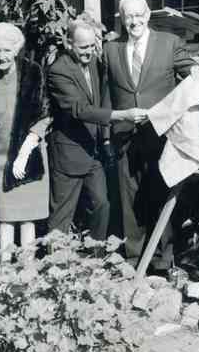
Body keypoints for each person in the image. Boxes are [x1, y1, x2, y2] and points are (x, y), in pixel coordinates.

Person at [103, 0, 199, 267]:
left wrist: (195, 71)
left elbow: (189, 68)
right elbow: (107, 93)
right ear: (122, 19)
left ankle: (160, 262)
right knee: (129, 199)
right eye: (129, 16)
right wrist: (107, 135)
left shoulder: (169, 43)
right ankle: (134, 258)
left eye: (139, 15)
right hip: (124, 134)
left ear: (147, 15)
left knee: (160, 194)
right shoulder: (110, 49)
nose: (134, 21)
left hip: (159, 134)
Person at [47, 19, 147, 240]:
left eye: (92, 46)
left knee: (102, 205)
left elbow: (102, 97)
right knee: (62, 215)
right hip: (69, 153)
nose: (89, 51)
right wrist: (122, 115)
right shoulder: (58, 71)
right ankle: (54, 259)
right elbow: (80, 109)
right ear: (68, 43)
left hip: (93, 152)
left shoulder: (94, 63)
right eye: (83, 47)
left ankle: (95, 253)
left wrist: (106, 139)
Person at [0, 22, 50, 262]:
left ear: (16, 49)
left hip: (28, 153)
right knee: (5, 218)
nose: (1, 56)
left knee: (27, 218)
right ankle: (6, 269)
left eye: (7, 50)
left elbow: (44, 115)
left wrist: (24, 153)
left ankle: (27, 268)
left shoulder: (33, 72)